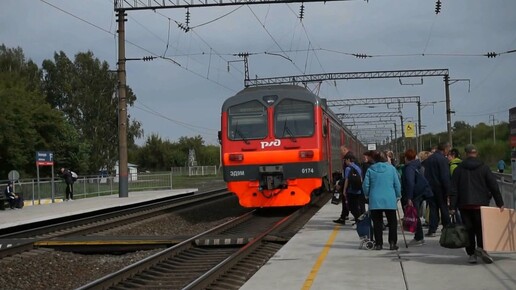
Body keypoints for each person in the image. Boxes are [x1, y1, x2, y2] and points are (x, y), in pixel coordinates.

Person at [450, 144, 504, 264]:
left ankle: (471, 254)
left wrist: (452, 206)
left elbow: (453, 189)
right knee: (481, 229)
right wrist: (500, 202)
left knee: (468, 230)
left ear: (466, 154)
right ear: (476, 153)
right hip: (481, 204)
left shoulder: (459, 169)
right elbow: (493, 186)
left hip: (464, 204)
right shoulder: (484, 168)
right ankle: (481, 249)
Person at [363, 151, 402, 250]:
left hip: (375, 199)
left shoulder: (370, 170)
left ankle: (379, 244)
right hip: (389, 199)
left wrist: (367, 195)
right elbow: (397, 184)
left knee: (377, 222)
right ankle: (392, 243)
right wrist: (398, 195)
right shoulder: (392, 169)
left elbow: (365, 185)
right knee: (392, 222)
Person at [401, 149, 433, 246]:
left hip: (414, 194)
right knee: (416, 214)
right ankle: (418, 236)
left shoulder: (409, 168)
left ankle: (419, 237)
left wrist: (409, 197)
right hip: (421, 192)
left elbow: (410, 183)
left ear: (406, 158)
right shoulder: (418, 165)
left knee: (415, 215)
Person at [424, 141, 452, 237]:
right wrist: (448, 191)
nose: (448, 152)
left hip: (431, 188)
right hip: (440, 188)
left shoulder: (429, 159)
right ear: (445, 149)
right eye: (448, 150)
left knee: (433, 209)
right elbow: (445, 176)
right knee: (443, 208)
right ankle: (447, 227)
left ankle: (432, 229)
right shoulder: (443, 160)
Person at [342, 155, 366, 226]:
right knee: (356, 206)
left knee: (351, 207)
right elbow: (361, 178)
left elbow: (346, 180)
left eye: (345, 160)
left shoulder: (348, 169)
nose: (345, 162)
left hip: (351, 190)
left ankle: (358, 220)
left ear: (348, 160)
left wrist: (344, 190)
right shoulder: (357, 167)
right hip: (358, 190)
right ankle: (358, 221)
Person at [333, 146, 353, 224]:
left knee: (347, 201)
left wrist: (340, 183)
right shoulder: (350, 156)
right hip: (348, 182)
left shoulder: (348, 157)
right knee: (346, 201)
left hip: (348, 183)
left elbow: (346, 175)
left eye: (341, 151)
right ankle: (344, 216)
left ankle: (344, 217)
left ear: (345, 149)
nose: (341, 153)